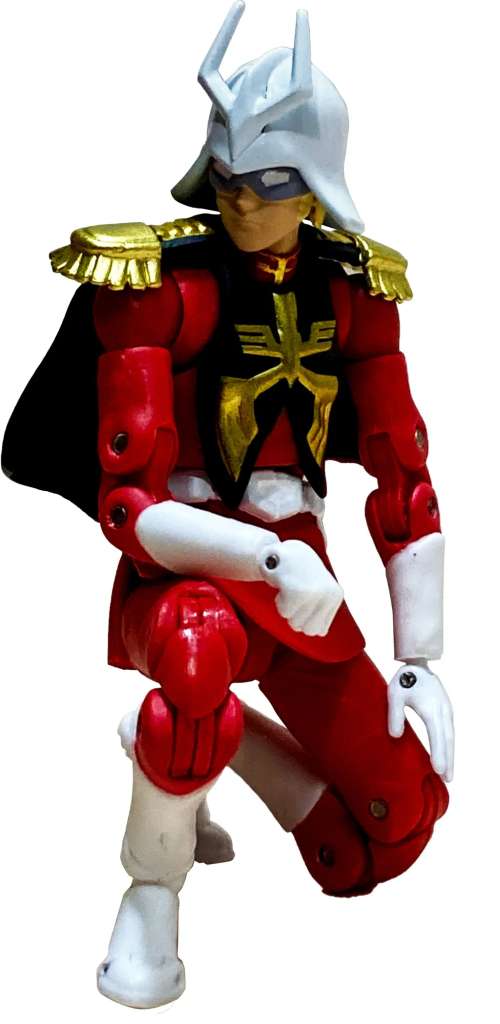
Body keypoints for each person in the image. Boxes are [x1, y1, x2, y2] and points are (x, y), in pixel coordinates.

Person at [2, 2, 454, 1010]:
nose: (241, 200)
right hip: (188, 569)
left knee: (382, 836)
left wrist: (420, 659)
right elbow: (129, 509)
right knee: (198, 658)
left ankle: (227, 738)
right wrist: (263, 560)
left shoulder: (354, 293)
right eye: (227, 175)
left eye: (271, 181)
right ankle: (150, 891)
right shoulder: (156, 286)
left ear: (318, 184)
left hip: (301, 584)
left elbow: (404, 475)